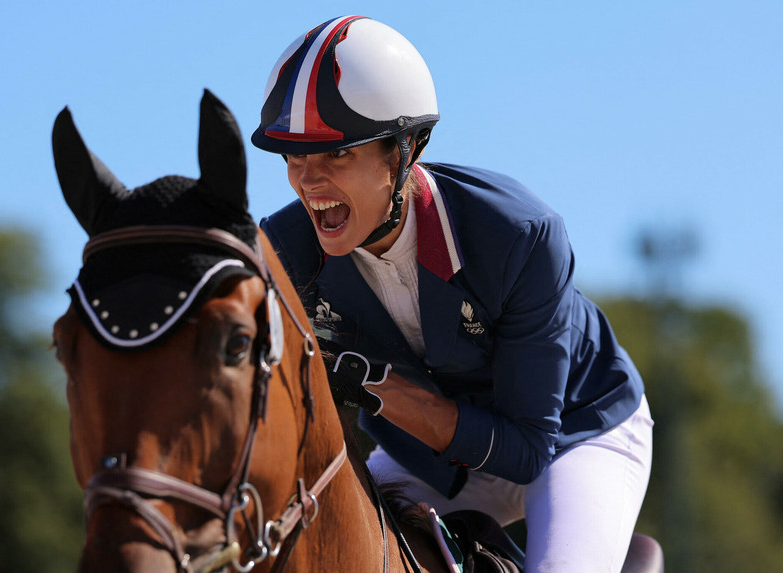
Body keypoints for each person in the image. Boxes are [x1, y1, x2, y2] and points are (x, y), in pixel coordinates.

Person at [252, 15, 653, 573]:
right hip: (431, 459)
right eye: (293, 156)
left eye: (337, 154)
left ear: (404, 149)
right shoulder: (284, 250)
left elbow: (526, 451)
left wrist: (372, 385)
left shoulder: (519, 234)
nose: (308, 182)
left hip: (576, 434)